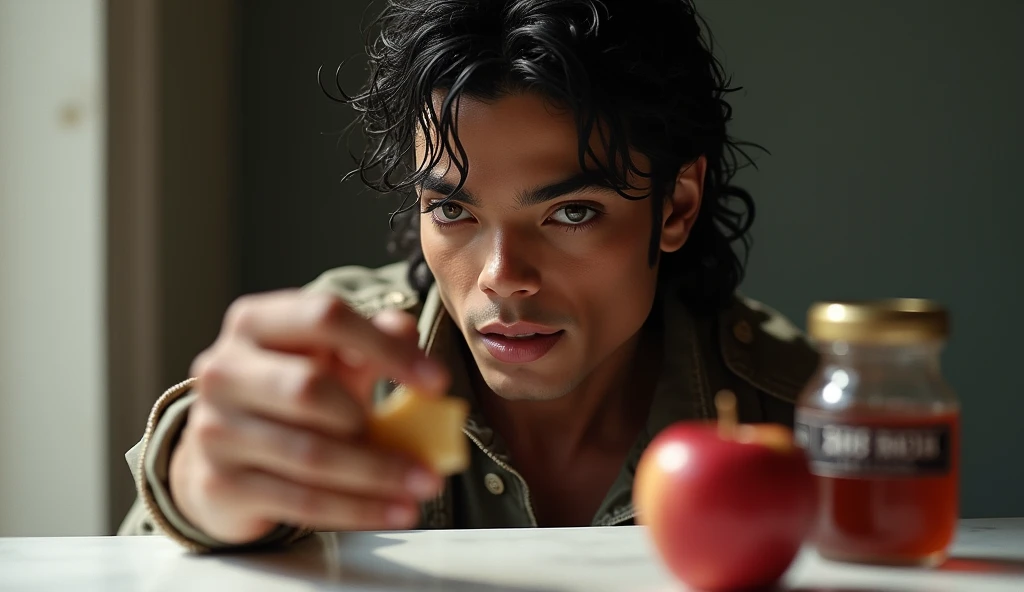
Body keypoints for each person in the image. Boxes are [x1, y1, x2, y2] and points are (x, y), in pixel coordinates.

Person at [118, 0, 819, 552]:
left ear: (676, 206)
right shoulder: (337, 372)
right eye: (452, 209)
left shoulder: (802, 418)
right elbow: (136, 559)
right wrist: (196, 485)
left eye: (572, 212)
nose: (501, 277)